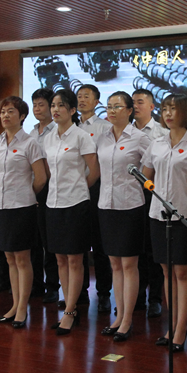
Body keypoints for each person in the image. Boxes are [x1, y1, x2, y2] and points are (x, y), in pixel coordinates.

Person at [141, 93, 187, 353]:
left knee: (183, 272)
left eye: (174, 109)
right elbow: (145, 175)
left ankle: (181, 327)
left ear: (185, 112)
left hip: (184, 216)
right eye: (165, 109)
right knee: (166, 272)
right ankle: (171, 325)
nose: (168, 114)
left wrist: (186, 196)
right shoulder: (156, 143)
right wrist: (158, 191)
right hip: (157, 215)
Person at [43, 89, 100, 335]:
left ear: (72, 110)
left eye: (61, 106)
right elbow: (49, 172)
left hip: (76, 203)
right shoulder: (48, 138)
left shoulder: (81, 137)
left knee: (75, 259)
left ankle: (69, 311)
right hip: (53, 204)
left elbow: (94, 172)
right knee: (60, 259)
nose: (55, 110)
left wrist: (78, 188)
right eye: (53, 105)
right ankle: (69, 305)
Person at [96, 91, 150, 342]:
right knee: (114, 264)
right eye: (109, 106)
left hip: (130, 206)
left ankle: (128, 319)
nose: (112, 110)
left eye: (117, 106)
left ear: (130, 111)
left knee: (129, 264)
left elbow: (150, 171)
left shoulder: (140, 138)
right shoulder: (102, 137)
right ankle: (118, 317)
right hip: (106, 206)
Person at [0, 96, 48, 328]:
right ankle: (14, 305)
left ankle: (23, 308)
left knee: (22, 258)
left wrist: (25, 194)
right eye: (3, 111)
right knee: (9, 258)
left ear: (22, 116)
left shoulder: (30, 143)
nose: (5, 115)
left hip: (23, 206)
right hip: (0, 206)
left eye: (11, 111)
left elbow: (40, 178)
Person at [76, 83, 113, 313]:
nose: (81, 100)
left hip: (97, 188)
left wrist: (87, 185)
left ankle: (104, 293)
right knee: (77, 244)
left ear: (97, 101)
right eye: (79, 96)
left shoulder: (104, 127)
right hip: (73, 191)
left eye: (86, 96)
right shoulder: (71, 127)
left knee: (100, 245)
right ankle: (78, 292)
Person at [132, 88, 167, 319]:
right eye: (132, 102)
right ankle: (136, 297)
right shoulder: (124, 131)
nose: (135, 106)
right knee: (135, 249)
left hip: (153, 196)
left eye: (140, 102)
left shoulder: (162, 133)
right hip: (129, 197)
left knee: (153, 250)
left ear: (152, 107)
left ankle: (155, 298)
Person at [29, 88, 59, 304]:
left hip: (51, 189)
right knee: (33, 241)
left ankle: (53, 286)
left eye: (41, 105)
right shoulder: (31, 133)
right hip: (30, 190)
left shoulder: (57, 131)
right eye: (35, 105)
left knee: (50, 242)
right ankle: (36, 284)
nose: (37, 109)